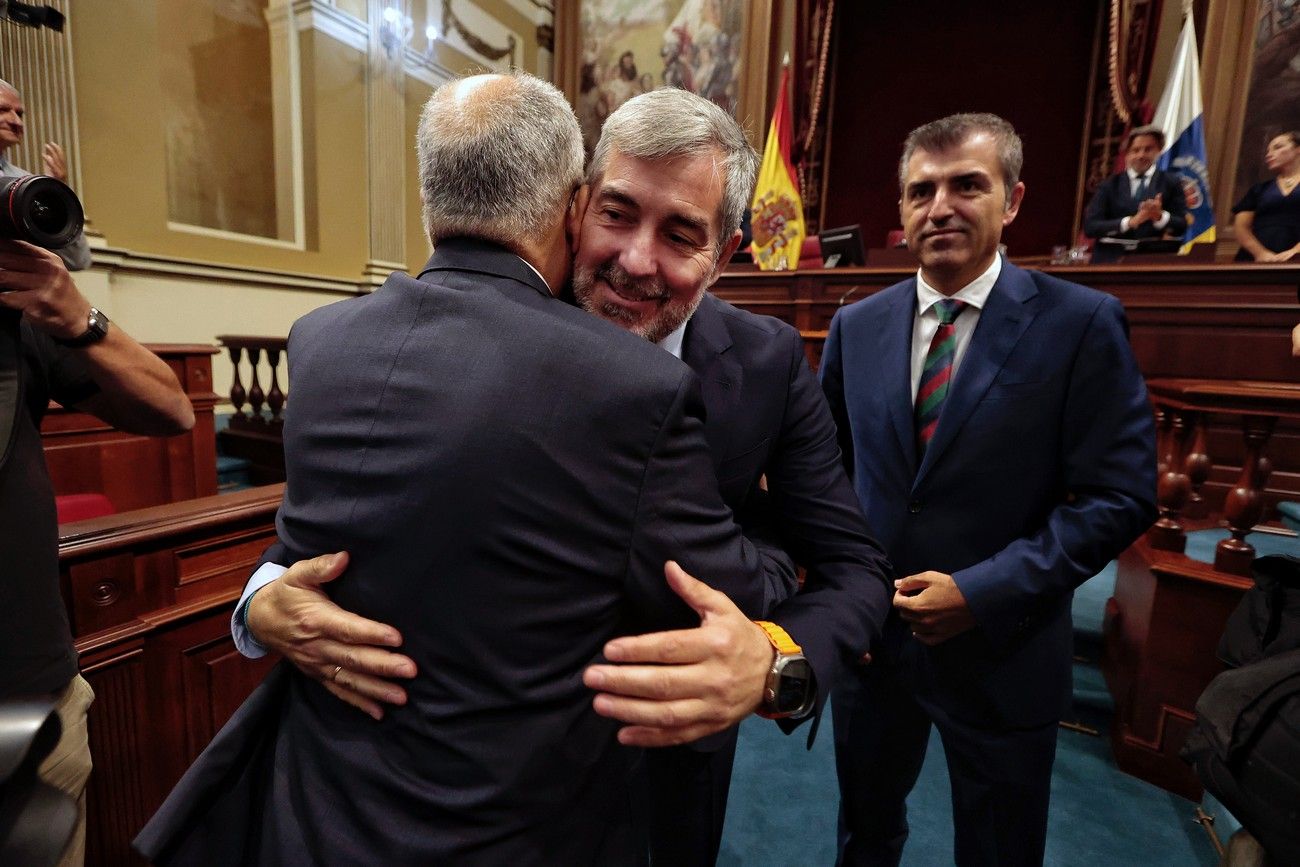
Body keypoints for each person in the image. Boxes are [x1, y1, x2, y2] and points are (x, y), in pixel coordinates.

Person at [136, 74, 837, 866]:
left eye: (680, 233)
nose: (636, 259)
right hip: (498, 810)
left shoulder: (770, 363)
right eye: (616, 212)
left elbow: (851, 567)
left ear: (725, 250)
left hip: (658, 768)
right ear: (576, 205)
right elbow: (359, 516)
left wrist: (779, 660)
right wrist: (261, 601)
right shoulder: (454, 333)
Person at [820, 113, 1157, 867]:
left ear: (1011, 201)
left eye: (967, 184)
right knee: (864, 832)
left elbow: (1120, 495)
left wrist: (982, 590)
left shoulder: (1081, 324)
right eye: (921, 190)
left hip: (1005, 647)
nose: (941, 205)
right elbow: (830, 478)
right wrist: (846, 589)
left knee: (1000, 850)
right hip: (876, 648)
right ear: (901, 211)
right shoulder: (856, 326)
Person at [1, 239, 194, 867]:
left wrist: (78, 317)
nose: (17, 132)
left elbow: (171, 408)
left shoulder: (15, 307)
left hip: (30, 695)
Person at [0, 79, 92, 272]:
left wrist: (58, 194)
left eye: (19, 113)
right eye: (3, 110)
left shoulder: (26, 186)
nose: (16, 121)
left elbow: (77, 260)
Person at [1083, 124, 1188, 263]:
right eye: (1136, 150)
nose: (1141, 155)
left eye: (1148, 149)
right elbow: (1091, 227)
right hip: (1109, 261)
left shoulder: (1171, 183)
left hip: (1152, 263)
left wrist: (1159, 217)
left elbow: (1181, 226)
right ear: (1127, 154)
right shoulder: (1109, 184)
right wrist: (1130, 222)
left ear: (1159, 151)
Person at [1232, 131, 1300, 262]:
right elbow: (1241, 227)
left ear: (1298, 149)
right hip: (1256, 259)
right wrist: (1260, 253)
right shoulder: (1259, 189)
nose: (1269, 154)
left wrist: (1295, 251)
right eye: (1268, 150)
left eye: (1278, 147)